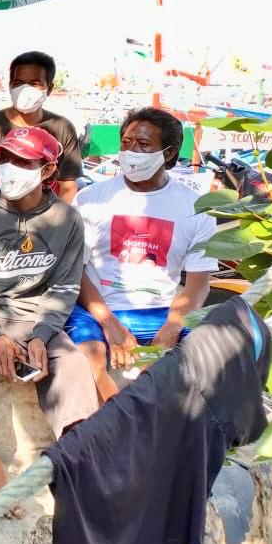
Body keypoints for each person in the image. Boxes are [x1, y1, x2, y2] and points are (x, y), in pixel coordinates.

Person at [0, 126, 98, 516]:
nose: (9, 168)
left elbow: (65, 287)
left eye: (22, 161)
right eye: (5, 159)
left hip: (37, 316)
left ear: (47, 170)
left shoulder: (66, 219)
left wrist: (42, 335)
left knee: (75, 365)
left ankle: (73, 469)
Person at [67, 108, 218, 402]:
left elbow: (199, 283)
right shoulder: (90, 199)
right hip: (98, 309)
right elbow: (75, 272)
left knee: (207, 362)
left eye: (143, 144)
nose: (131, 151)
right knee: (90, 360)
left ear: (169, 153)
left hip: (162, 311)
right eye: (125, 143)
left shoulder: (196, 207)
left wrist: (174, 325)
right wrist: (109, 323)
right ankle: (115, 430)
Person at [0, 51, 83, 202]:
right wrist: (7, 211)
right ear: (10, 85)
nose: (25, 89)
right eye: (18, 83)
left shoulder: (63, 128)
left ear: (50, 88)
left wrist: (52, 219)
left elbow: (67, 185)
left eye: (34, 83)